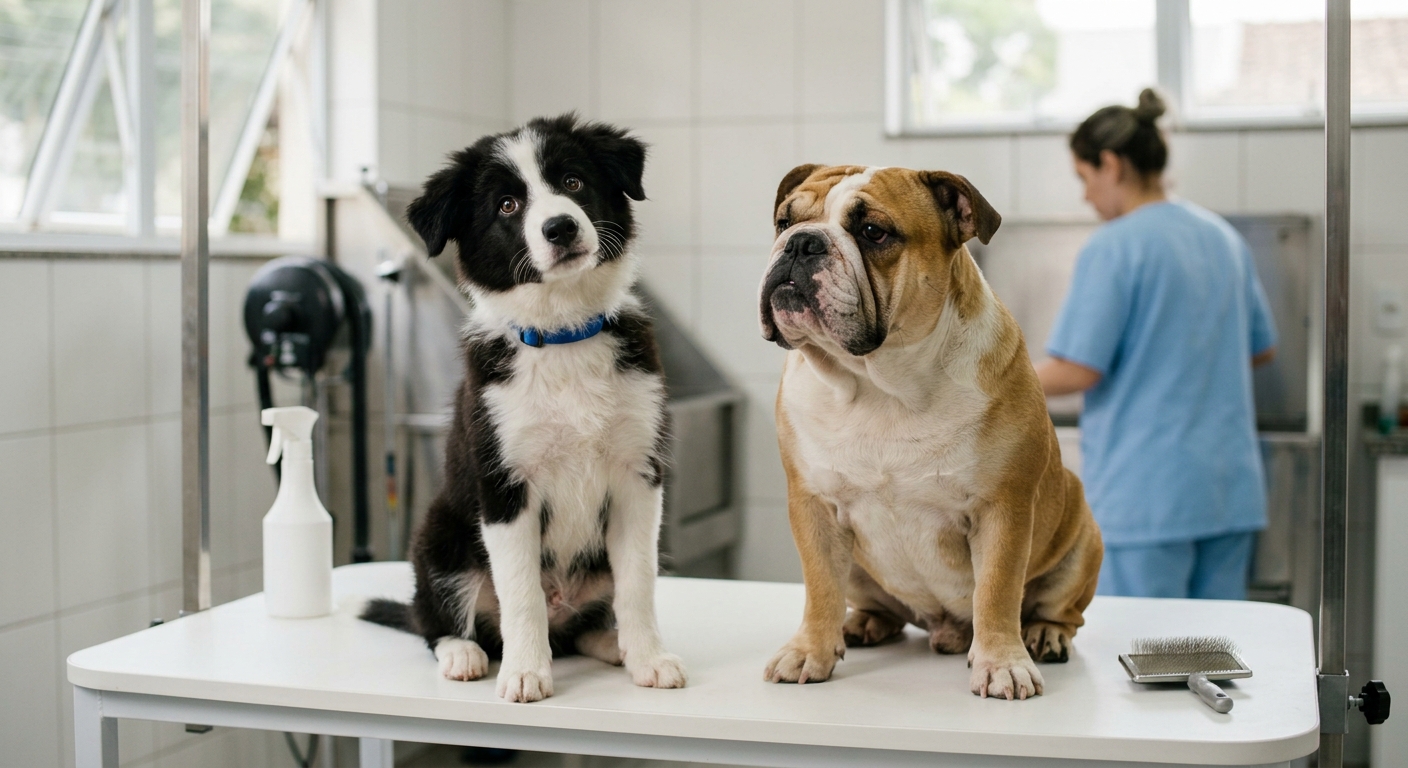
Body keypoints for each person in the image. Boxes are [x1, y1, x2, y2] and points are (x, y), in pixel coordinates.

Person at [1036, 88, 1277, 600]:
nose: (1085, 196)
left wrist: (982, 383)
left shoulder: (1115, 245)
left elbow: (1077, 370)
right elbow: (1261, 349)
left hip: (1147, 495)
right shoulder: (1222, 238)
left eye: (1084, 178)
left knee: (1144, 658)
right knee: (1219, 660)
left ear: (1110, 164)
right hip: (1228, 492)